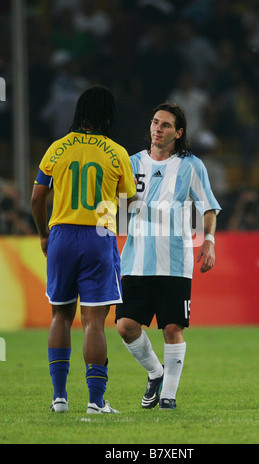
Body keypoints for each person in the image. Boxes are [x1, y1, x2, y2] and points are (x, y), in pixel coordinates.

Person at [31, 86, 137, 414]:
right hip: (98, 235)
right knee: (93, 321)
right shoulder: (116, 152)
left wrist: (45, 234)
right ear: (108, 114)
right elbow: (131, 201)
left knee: (60, 316)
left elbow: (37, 198)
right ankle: (95, 402)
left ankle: (59, 398)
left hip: (61, 234)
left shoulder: (57, 148)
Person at [116, 102, 221, 410]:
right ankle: (155, 372)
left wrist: (209, 241)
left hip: (175, 262)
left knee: (173, 328)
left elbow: (209, 207)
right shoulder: (131, 163)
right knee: (125, 325)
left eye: (164, 125)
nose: (157, 129)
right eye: (154, 123)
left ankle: (168, 398)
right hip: (136, 259)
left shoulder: (191, 165)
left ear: (178, 132)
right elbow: (120, 211)